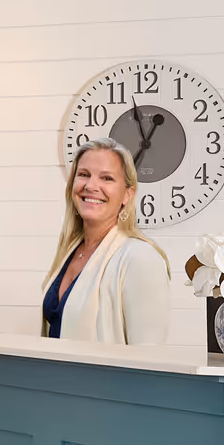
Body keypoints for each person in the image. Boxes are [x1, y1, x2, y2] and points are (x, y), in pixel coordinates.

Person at [41, 138, 172, 345]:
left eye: (107, 178)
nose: (91, 186)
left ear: (127, 195)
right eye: (83, 175)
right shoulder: (70, 251)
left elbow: (149, 359)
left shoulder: (140, 258)